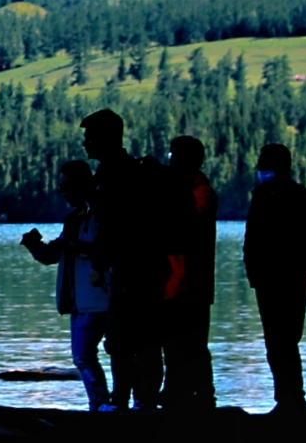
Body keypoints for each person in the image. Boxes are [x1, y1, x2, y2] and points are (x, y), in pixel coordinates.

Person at [81, 111, 170, 410]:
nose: (85, 143)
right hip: (129, 270)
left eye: (90, 136)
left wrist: (98, 262)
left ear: (106, 138)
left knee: (138, 340)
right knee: (124, 340)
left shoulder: (124, 175)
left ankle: (138, 402)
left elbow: (118, 227)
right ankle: (129, 401)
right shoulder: (114, 173)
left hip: (138, 270)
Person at [243, 141, 306, 412]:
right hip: (293, 278)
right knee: (286, 340)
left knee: (278, 341)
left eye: (263, 162)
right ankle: (292, 397)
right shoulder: (300, 194)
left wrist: (255, 273)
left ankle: (288, 399)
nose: (260, 167)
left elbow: (254, 241)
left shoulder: (265, 196)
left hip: (275, 279)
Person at [21, 159, 111, 409]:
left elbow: (105, 249)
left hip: (101, 298)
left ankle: (107, 404)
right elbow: (54, 255)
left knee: (92, 355)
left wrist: (71, 246)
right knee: (83, 356)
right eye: (62, 188)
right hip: (79, 302)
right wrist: (34, 246)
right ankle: (102, 404)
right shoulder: (72, 220)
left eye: (70, 186)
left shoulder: (102, 216)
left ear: (86, 183)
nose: (66, 192)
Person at [162, 135, 219, 410]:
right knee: (172, 348)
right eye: (172, 154)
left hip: (192, 284)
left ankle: (205, 398)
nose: (172, 159)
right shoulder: (177, 189)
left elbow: (190, 227)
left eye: (176, 155)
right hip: (169, 283)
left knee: (195, 347)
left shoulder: (201, 192)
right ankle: (176, 396)